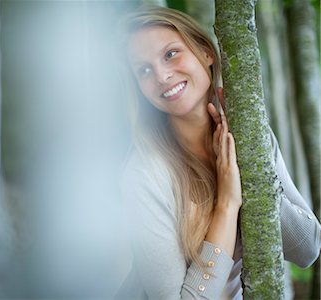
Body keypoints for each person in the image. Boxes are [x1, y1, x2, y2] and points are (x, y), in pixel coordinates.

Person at [115, 5, 321, 300]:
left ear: (206, 53)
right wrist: (227, 204)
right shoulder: (144, 175)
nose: (161, 75)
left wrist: (248, 170)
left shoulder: (248, 134)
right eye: (144, 70)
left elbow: (308, 248)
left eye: (171, 53)